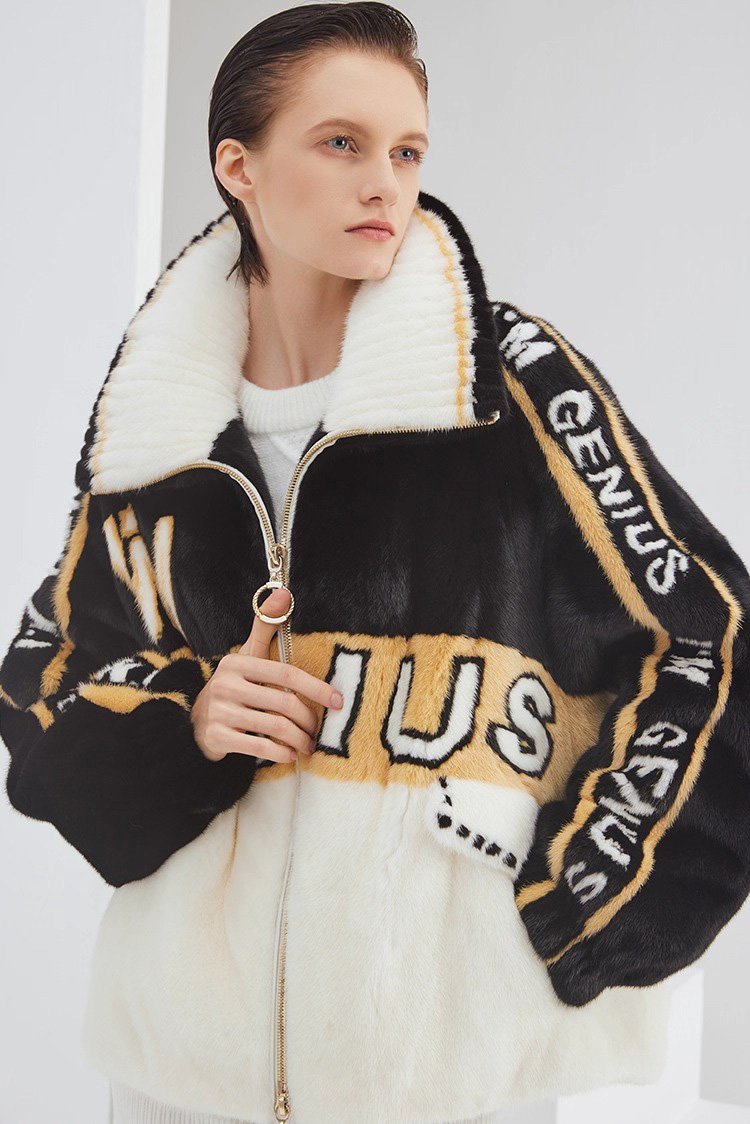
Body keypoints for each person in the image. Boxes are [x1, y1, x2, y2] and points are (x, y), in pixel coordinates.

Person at [3, 3, 750, 1123]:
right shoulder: (156, 426)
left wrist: (582, 914)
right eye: (342, 143)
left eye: (407, 152)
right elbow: (41, 682)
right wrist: (185, 726)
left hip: (442, 1071)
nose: (384, 185)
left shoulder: (507, 383)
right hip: (181, 1073)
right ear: (238, 167)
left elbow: (711, 640)